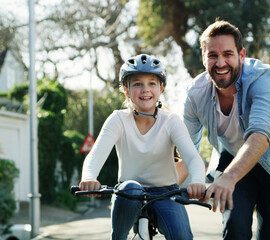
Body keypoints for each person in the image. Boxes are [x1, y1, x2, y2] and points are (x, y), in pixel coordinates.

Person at [183, 20, 270, 240]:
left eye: (228, 54)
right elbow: (185, 146)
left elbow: (261, 135)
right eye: (212, 55)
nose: (220, 62)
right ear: (203, 58)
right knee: (235, 227)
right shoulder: (195, 93)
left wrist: (229, 177)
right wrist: (176, 183)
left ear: (241, 55)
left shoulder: (263, 78)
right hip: (233, 160)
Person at [79, 54, 206, 240]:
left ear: (161, 88)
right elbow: (97, 153)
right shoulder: (118, 119)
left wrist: (198, 182)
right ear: (126, 90)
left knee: (182, 236)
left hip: (166, 193)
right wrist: (89, 177)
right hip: (128, 193)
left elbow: (193, 158)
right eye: (137, 84)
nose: (145, 89)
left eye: (152, 83)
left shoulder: (171, 121)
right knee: (130, 188)